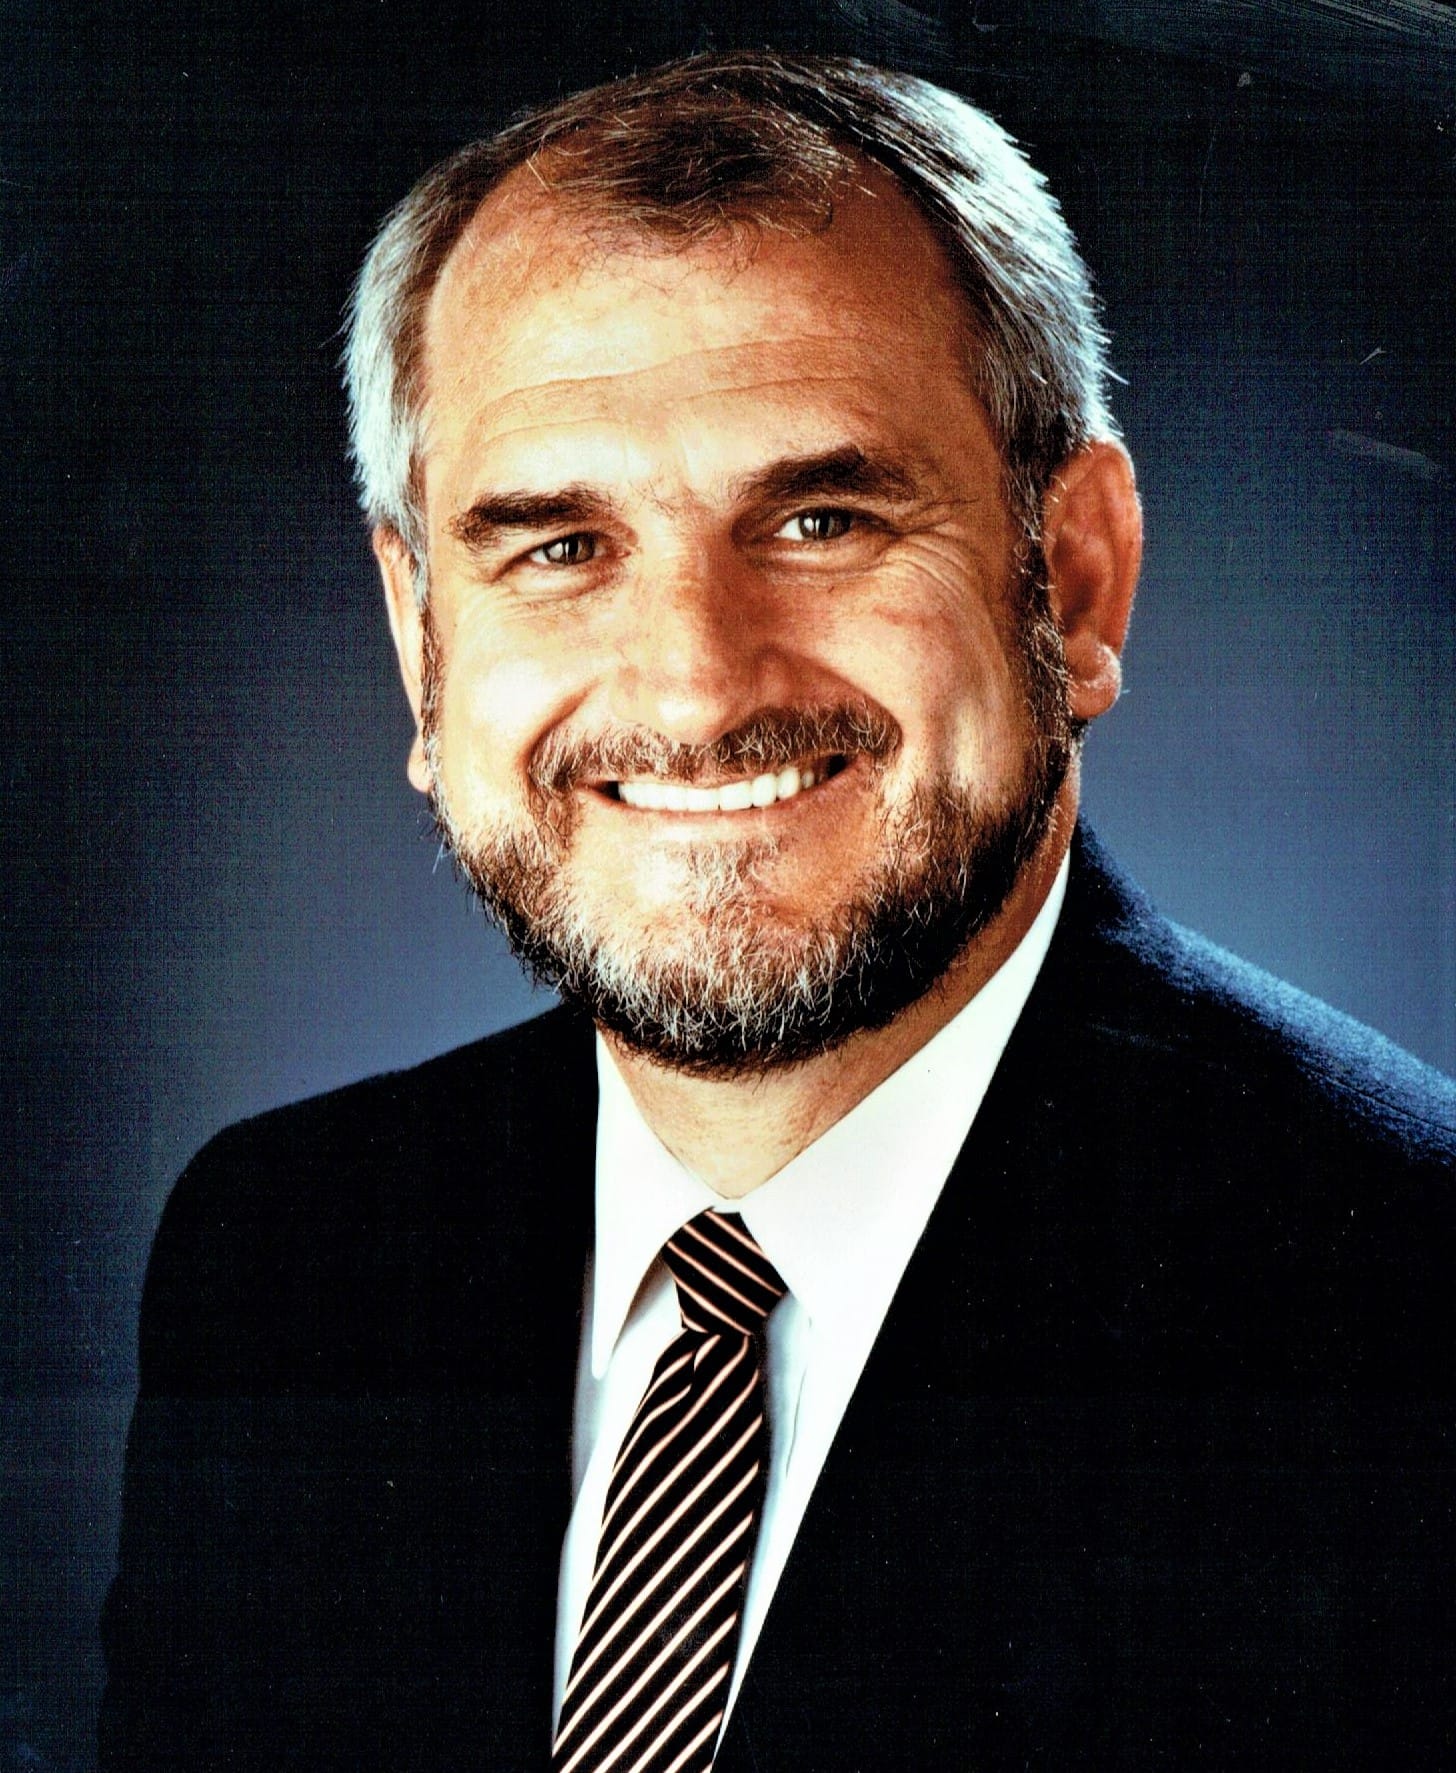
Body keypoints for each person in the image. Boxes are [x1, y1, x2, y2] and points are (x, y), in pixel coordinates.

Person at [100, 51, 1456, 1771]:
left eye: (822, 517)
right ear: (419, 635)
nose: (695, 684)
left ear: (1077, 580)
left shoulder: (1399, 1307)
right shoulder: (284, 1261)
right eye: (558, 547)